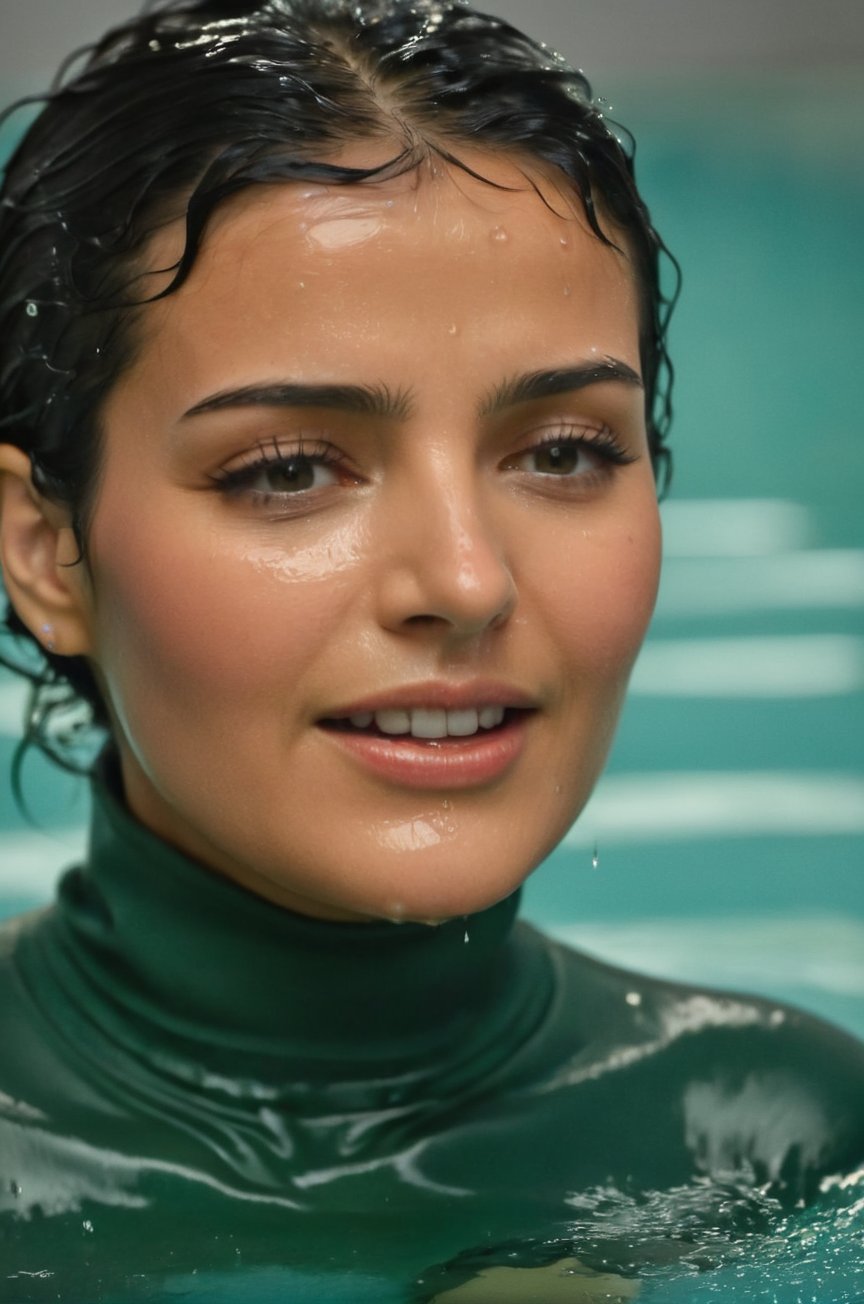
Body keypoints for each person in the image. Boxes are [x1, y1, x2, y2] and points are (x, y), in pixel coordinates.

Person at [0, 1, 861, 1299]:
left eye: (565, 452)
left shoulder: (770, 1139)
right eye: (289, 468)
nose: (466, 580)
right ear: (46, 551)